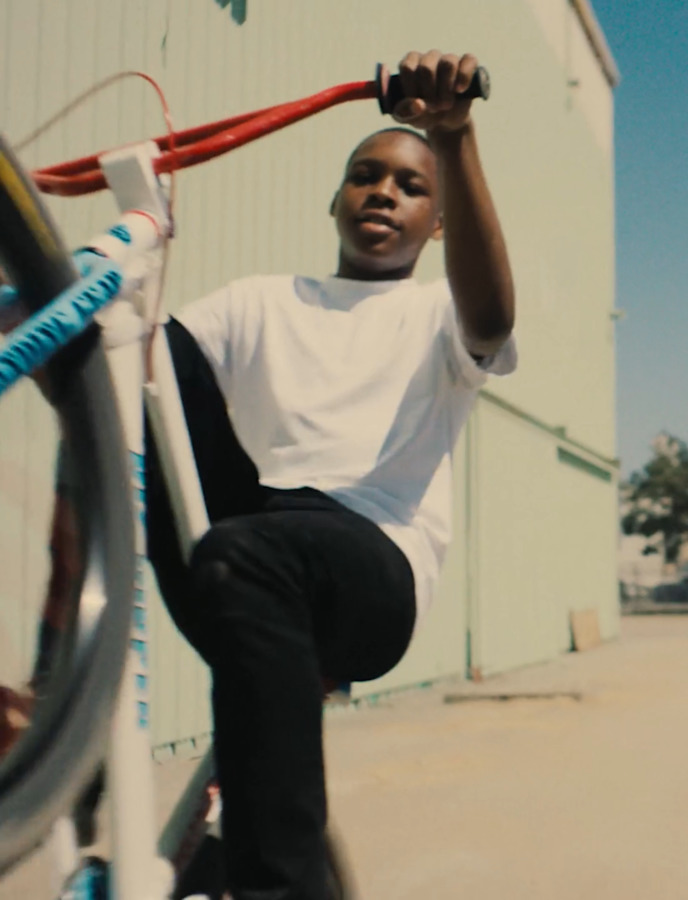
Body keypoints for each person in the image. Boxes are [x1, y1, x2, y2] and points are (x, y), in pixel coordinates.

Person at [6, 49, 514, 900]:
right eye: (365, 175)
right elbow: (141, 374)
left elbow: (493, 316)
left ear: (438, 225)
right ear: (336, 200)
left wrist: (453, 136)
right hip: (241, 547)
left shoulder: (438, 314)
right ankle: (67, 728)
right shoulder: (262, 301)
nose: (383, 191)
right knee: (119, 359)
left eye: (410, 185)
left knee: (252, 549)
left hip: (368, 564)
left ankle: (282, 890)